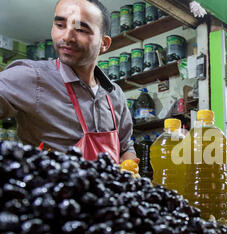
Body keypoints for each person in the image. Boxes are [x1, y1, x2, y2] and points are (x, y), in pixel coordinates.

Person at [0, 0, 138, 164]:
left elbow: (126, 147)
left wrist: (129, 166)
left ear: (104, 43)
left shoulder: (115, 94)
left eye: (80, 29)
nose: (67, 37)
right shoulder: (31, 76)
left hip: (107, 189)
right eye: (60, 25)